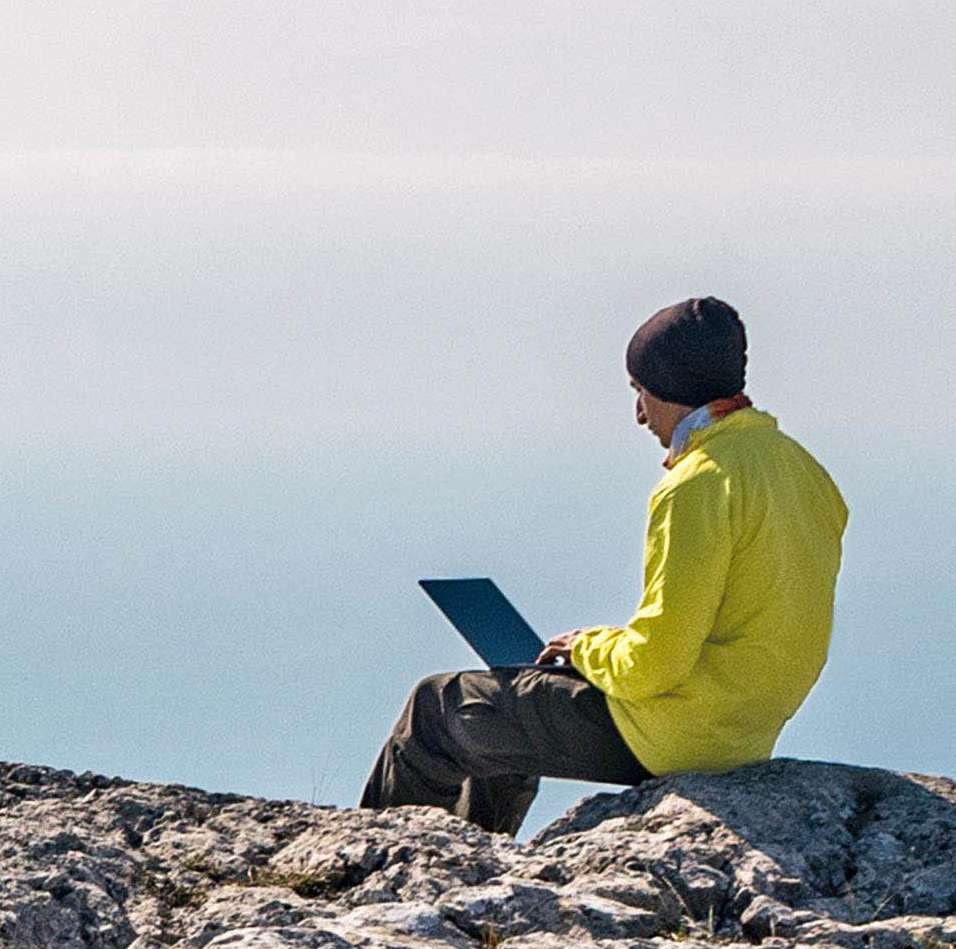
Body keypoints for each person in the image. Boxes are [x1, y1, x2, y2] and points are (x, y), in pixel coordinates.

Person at [363, 297, 849, 835]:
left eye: (642, 392)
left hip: (674, 734)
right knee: (511, 701)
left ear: (673, 389)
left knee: (439, 705)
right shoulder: (804, 471)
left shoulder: (698, 485)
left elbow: (654, 665)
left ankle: (379, 869)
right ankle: (477, 859)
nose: (639, 414)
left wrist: (588, 647)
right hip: (743, 731)